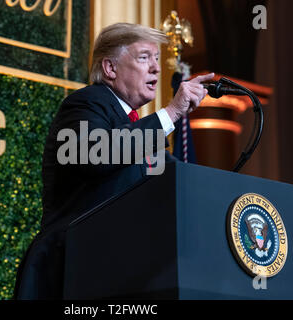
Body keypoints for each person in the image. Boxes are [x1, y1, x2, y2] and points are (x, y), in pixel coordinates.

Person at [14, 23, 213, 299]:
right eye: (144, 57)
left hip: (122, 273)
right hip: (71, 271)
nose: (156, 67)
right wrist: (171, 113)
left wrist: (211, 194)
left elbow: (168, 180)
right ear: (110, 68)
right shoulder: (85, 104)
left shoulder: (140, 130)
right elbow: (98, 154)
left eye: (157, 58)